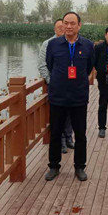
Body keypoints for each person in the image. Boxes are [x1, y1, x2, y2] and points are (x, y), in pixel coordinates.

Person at [44, 12, 95, 182]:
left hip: (79, 96)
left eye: (72, 23)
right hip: (58, 96)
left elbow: (89, 67)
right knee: (55, 133)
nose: (68, 26)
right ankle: (54, 166)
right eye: (66, 23)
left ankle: (80, 167)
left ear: (79, 25)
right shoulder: (53, 44)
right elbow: (50, 65)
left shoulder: (87, 45)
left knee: (80, 134)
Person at [38, 18, 74, 154]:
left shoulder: (72, 42)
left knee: (70, 112)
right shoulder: (48, 44)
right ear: (55, 29)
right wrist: (51, 81)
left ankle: (69, 137)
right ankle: (61, 140)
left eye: (65, 26)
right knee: (59, 114)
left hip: (71, 85)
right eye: (60, 27)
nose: (63, 29)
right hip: (56, 86)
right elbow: (42, 65)